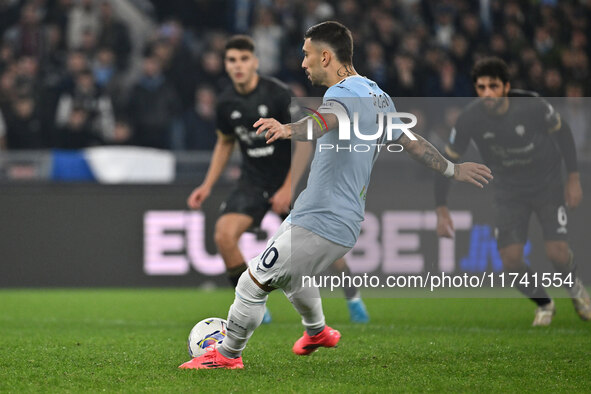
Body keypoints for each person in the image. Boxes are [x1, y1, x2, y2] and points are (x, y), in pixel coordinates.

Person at [179, 21, 491, 370]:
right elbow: (412, 143)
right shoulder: (377, 94)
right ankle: (316, 331)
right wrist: (452, 168)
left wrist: (288, 129)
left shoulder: (342, 95)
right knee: (293, 279)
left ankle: (227, 356)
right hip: (322, 214)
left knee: (252, 285)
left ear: (325, 56)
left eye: (307, 55)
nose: (302, 63)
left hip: (324, 218)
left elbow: (325, 121)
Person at [186, 35, 369, 325]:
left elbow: (305, 142)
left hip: (289, 179)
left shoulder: (278, 94)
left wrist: (288, 187)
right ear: (226, 64)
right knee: (223, 235)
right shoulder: (225, 103)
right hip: (253, 181)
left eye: (244, 59)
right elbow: (225, 143)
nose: (238, 66)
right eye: (232, 60)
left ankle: (353, 298)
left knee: (330, 252)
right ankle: (256, 310)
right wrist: (207, 185)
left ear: (255, 62)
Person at [434, 57, 591, 326]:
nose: (487, 93)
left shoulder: (532, 105)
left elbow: (563, 133)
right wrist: (441, 207)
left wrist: (573, 178)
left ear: (506, 87)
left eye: (493, 86)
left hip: (547, 184)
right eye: (481, 87)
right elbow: (447, 161)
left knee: (557, 253)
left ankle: (576, 289)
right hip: (508, 190)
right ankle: (544, 303)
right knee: (511, 260)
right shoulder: (469, 118)